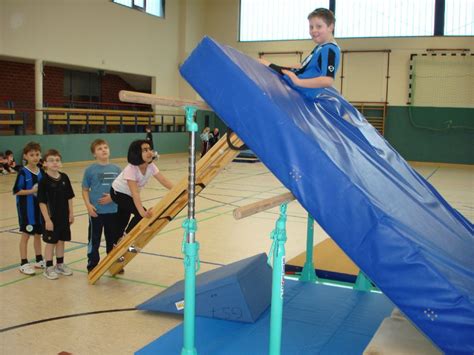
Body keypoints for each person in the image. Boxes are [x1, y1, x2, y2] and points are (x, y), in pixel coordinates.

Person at [259, 8, 340, 99]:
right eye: (311, 27)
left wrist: (297, 81)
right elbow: (302, 66)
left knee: (260, 63)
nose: (313, 30)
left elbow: (327, 80)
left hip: (299, 86)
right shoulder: (321, 47)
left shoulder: (329, 49)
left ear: (331, 27)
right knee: (262, 62)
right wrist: (284, 68)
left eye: (319, 26)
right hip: (296, 78)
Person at [111, 140, 173, 241]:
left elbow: (163, 180)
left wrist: (178, 189)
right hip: (118, 193)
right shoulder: (131, 169)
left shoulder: (151, 166)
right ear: (136, 153)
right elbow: (135, 193)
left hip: (129, 194)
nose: (149, 152)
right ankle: (124, 238)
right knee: (140, 215)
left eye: (149, 149)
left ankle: (117, 240)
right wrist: (142, 212)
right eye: (145, 150)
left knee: (122, 219)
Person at [82, 139, 121, 273]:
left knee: (113, 240)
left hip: (113, 211)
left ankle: (113, 264)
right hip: (96, 212)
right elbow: (85, 190)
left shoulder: (117, 169)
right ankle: (92, 265)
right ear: (94, 154)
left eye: (105, 147)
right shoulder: (90, 170)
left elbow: (121, 189)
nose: (104, 150)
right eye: (99, 148)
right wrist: (88, 205)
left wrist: (112, 197)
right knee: (94, 239)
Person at [38, 149, 75, 280]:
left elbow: (69, 197)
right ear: (45, 164)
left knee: (61, 241)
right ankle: (48, 267)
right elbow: (42, 202)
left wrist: (71, 213)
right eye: (51, 160)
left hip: (64, 217)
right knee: (51, 242)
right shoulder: (43, 181)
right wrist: (47, 220)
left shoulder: (64, 177)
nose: (55, 163)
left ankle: (60, 264)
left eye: (57, 160)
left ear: (61, 163)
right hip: (51, 218)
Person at [12, 142, 45, 275]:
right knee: (26, 235)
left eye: (37, 154)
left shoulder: (42, 172)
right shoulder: (23, 173)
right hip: (27, 211)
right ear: (25, 156)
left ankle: (39, 259)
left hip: (39, 211)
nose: (35, 157)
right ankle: (24, 263)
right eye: (32, 155)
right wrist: (31, 191)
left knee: (38, 235)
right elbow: (16, 191)